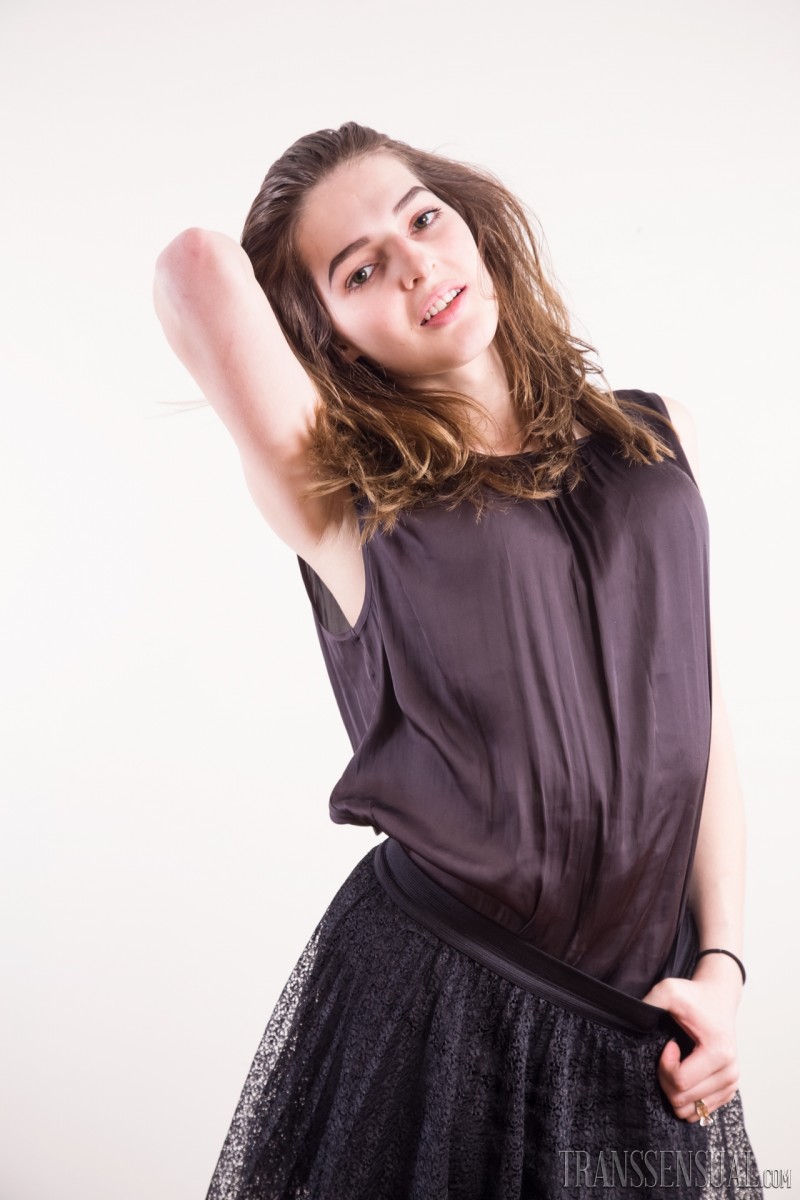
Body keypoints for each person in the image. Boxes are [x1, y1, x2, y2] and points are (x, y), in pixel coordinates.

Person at [153, 123, 762, 1199]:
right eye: (360, 271)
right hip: (443, 1003)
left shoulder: (658, 438)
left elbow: (697, 724)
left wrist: (721, 967)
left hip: (642, 1013)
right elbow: (193, 267)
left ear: (472, 224)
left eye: (424, 218)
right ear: (328, 335)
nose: (415, 264)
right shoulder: (340, 495)